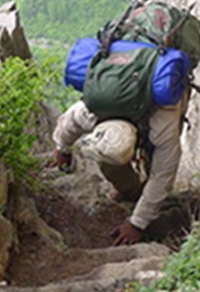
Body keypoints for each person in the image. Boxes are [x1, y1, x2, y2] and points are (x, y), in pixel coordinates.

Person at [49, 91, 189, 245]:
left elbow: (162, 177)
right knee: (109, 161)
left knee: (156, 162)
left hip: (166, 101)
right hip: (130, 110)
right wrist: (62, 149)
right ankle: (131, 192)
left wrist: (137, 224)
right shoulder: (92, 111)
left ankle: (149, 204)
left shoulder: (163, 126)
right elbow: (69, 122)